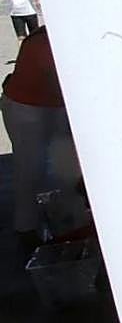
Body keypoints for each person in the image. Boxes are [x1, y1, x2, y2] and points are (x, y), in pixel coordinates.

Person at [0, 27, 83, 260]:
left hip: (56, 106)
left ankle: (74, 224)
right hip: (25, 108)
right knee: (30, 169)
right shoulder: (44, 42)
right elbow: (69, 81)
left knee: (69, 168)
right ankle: (25, 229)